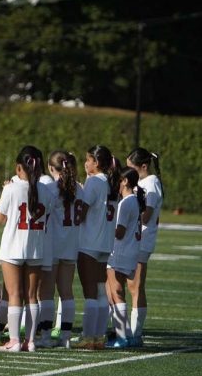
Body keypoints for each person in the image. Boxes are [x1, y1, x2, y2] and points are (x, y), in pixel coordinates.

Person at [0, 145, 52, 353]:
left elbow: (0, 219)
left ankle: (14, 340)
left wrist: (1, 197)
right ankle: (31, 341)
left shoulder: (11, 188)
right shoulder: (46, 190)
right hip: (36, 248)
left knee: (14, 294)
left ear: (19, 167)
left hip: (13, 247)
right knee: (31, 296)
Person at [73, 145, 120, 350]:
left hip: (89, 242)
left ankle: (88, 336)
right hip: (105, 242)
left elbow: (81, 213)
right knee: (101, 291)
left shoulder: (94, 182)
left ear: (97, 163)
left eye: (89, 159)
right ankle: (99, 336)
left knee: (90, 291)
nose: (86, 163)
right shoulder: (111, 182)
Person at [38, 151, 84, 349]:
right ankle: (65, 337)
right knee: (66, 292)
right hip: (71, 244)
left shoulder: (50, 188)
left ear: (50, 168)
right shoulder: (79, 189)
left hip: (53, 244)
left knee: (46, 293)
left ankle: (46, 336)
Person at [125, 148, 164, 347]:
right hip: (134, 238)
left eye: (132, 168)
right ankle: (128, 331)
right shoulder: (142, 182)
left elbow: (146, 214)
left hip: (142, 239)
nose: (128, 171)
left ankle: (135, 333)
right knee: (130, 285)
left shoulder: (151, 183)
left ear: (143, 166)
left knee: (136, 286)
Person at [106, 167, 146, 348]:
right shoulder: (133, 201)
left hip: (120, 251)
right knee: (114, 292)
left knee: (116, 292)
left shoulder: (126, 202)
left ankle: (122, 336)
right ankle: (126, 335)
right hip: (130, 251)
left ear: (125, 181)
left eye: (119, 180)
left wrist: (104, 230)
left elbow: (119, 232)